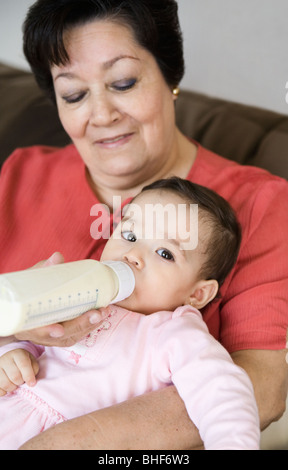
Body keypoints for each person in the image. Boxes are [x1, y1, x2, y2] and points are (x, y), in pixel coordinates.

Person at [0, 0, 287, 450]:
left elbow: (259, 388)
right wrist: (12, 336)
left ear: (171, 78)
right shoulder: (20, 175)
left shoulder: (258, 204)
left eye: (123, 82)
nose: (101, 114)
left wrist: (65, 442)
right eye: (74, 94)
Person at [0, 178, 260, 450]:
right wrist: (15, 354)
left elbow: (219, 390)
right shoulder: (82, 292)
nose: (133, 255)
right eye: (130, 236)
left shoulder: (173, 332)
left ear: (197, 294)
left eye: (165, 253)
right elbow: (35, 339)